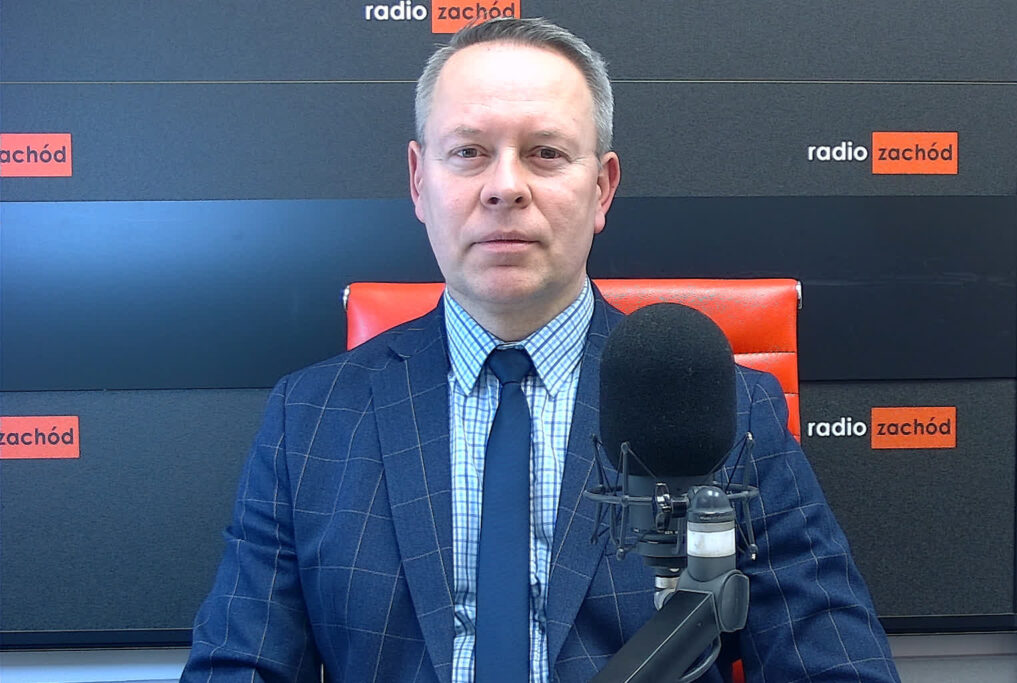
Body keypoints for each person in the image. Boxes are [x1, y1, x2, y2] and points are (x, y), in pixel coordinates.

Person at [182, 17, 900, 683]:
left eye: (545, 153)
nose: (505, 187)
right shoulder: (308, 419)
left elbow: (837, 667)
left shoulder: (729, 411)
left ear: (602, 188)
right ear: (419, 181)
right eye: (469, 152)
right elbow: (238, 667)